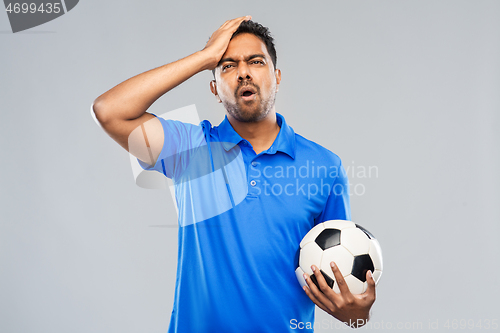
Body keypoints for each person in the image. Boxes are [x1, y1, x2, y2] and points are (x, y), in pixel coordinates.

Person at [92, 15, 376, 332]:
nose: (243, 72)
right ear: (214, 88)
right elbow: (109, 110)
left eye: (256, 61)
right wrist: (203, 58)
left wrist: (357, 315)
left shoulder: (324, 165)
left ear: (277, 76)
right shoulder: (189, 149)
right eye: (227, 66)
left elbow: (342, 284)